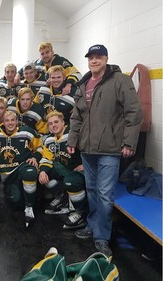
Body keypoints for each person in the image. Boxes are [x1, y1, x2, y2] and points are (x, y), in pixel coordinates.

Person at [67, 44, 143, 257]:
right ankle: (92, 226)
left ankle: (102, 237)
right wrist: (73, 140)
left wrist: (129, 143)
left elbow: (134, 112)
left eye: (99, 57)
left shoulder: (120, 81)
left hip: (110, 149)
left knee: (104, 194)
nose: (94, 60)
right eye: (91, 57)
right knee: (92, 191)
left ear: (106, 59)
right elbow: (76, 117)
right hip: (87, 149)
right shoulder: (83, 85)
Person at [38, 111, 88, 229]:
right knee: (44, 172)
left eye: (56, 122)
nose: (53, 125)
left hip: (80, 170)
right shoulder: (49, 140)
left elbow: (89, 147)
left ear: (63, 122)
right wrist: (42, 171)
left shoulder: (73, 133)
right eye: (50, 123)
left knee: (70, 182)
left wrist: (86, 164)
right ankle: (62, 198)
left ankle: (80, 212)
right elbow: (46, 158)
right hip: (66, 170)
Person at [15, 42, 82, 95]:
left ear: (52, 52)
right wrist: (18, 74)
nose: (45, 55)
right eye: (42, 54)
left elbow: (77, 74)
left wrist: (68, 85)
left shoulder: (61, 61)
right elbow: (28, 66)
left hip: (62, 93)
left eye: (47, 52)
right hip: (47, 93)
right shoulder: (39, 62)